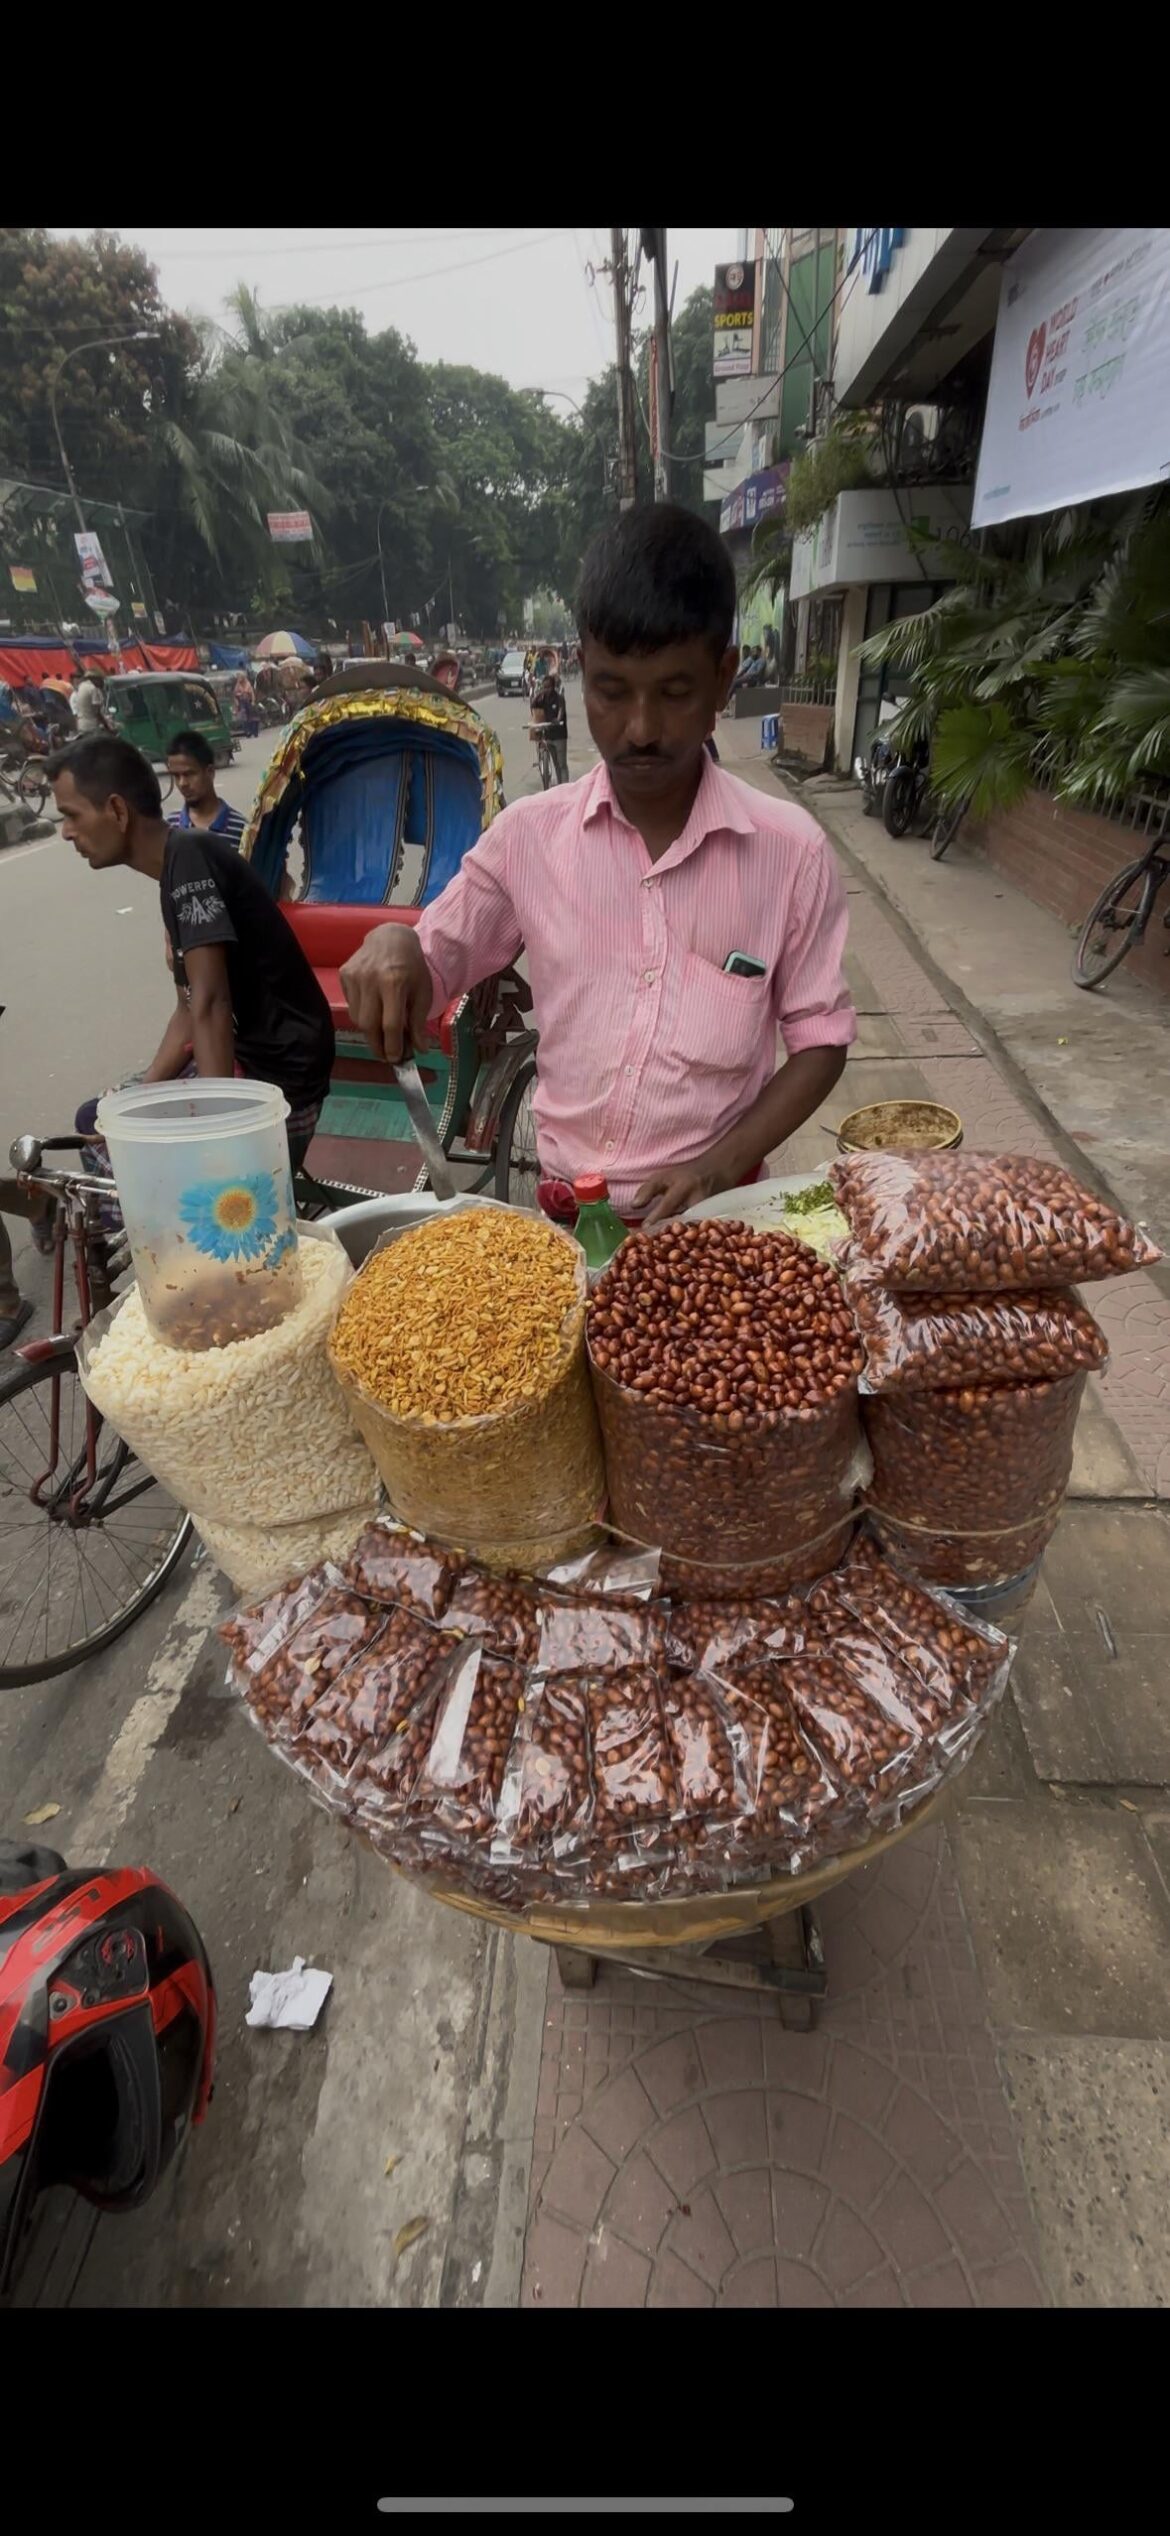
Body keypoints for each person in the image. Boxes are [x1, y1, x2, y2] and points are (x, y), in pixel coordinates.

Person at [339, 500, 854, 1228]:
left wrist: (717, 1164)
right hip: (567, 1220)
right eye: (612, 692)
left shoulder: (791, 853)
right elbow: (434, 963)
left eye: (675, 693)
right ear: (583, 674)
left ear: (723, 679)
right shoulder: (527, 838)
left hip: (722, 1219)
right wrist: (398, 948)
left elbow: (821, 1042)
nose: (640, 729)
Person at [48, 736, 334, 1176]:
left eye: (71, 815)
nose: (66, 831)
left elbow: (210, 1002)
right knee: (98, 1118)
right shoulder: (176, 868)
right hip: (249, 1059)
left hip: (282, 1078)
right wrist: (135, 1099)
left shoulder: (190, 859)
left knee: (148, 1173)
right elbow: (186, 1009)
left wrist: (220, 1135)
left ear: (118, 811)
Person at [166, 728, 247, 844]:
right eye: (176, 776)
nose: (182, 783)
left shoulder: (241, 829)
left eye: (189, 774)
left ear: (210, 772)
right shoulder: (170, 827)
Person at [529, 667, 569, 784]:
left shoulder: (559, 698)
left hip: (559, 735)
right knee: (556, 763)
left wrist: (557, 719)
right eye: (544, 687)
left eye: (548, 687)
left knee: (562, 764)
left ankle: (566, 788)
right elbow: (533, 704)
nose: (547, 690)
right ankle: (559, 787)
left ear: (553, 687)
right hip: (549, 735)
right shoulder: (543, 698)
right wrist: (538, 694)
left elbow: (561, 712)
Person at [71, 666, 111, 736]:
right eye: (100, 679)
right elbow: (97, 713)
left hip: (82, 725)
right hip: (92, 726)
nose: (101, 682)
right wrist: (107, 726)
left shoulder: (82, 686)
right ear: (94, 679)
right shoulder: (93, 689)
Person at [233, 667, 259, 737]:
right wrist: (237, 702)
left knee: (252, 717)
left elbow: (252, 693)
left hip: (249, 701)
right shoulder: (238, 685)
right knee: (244, 718)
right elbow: (235, 694)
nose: (239, 679)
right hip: (242, 702)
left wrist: (253, 701)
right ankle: (247, 732)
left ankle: (254, 731)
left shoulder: (248, 684)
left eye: (240, 677)